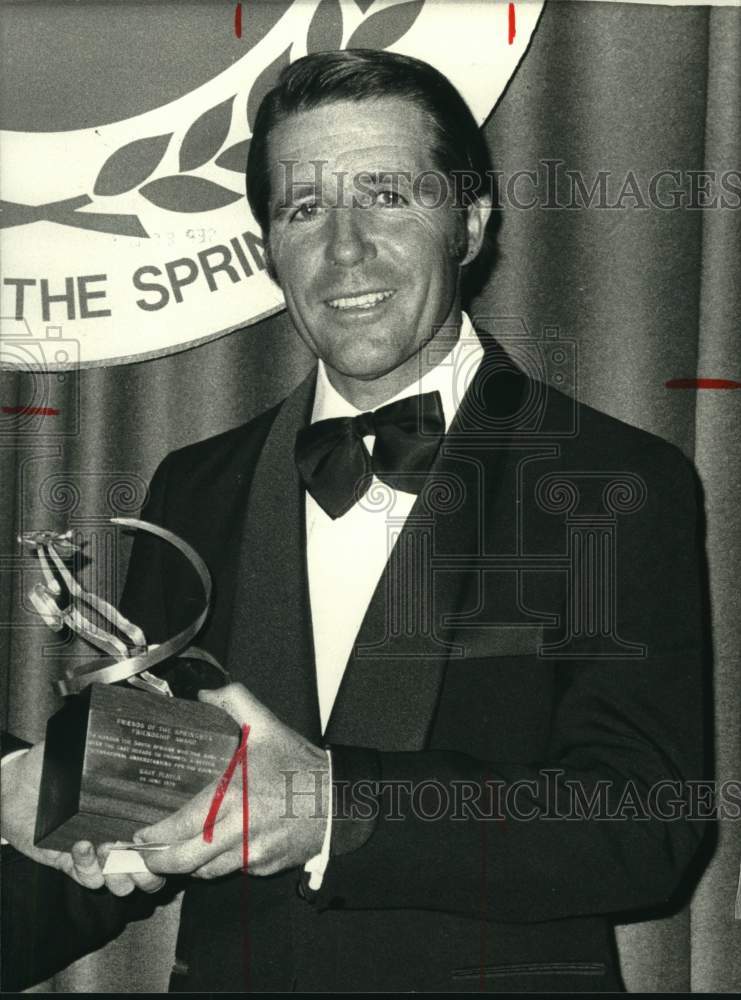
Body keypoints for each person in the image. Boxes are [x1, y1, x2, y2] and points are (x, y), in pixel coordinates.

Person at [1, 49, 707, 993]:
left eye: (386, 195)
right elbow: (131, 818)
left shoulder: (614, 480)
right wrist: (64, 810)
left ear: (468, 223)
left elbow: (647, 826)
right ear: (268, 249)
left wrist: (329, 805)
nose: (344, 248)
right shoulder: (194, 487)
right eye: (303, 209)